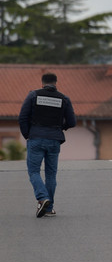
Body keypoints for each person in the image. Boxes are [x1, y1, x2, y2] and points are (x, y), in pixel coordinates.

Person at [18, 72, 76, 218]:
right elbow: (72, 122)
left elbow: (22, 117)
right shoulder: (64, 99)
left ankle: (43, 198)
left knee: (34, 172)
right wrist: (60, 128)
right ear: (56, 83)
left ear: (42, 83)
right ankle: (49, 208)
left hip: (36, 138)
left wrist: (28, 134)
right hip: (54, 140)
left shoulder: (33, 95)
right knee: (51, 174)